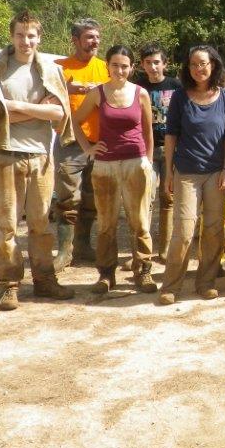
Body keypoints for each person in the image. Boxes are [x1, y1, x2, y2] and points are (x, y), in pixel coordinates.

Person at [0, 11, 75, 311]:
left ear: (39, 37)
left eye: (31, 35)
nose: (26, 41)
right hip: (7, 154)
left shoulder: (49, 70)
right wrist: (38, 109)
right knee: (7, 225)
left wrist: (15, 107)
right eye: (20, 35)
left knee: (40, 224)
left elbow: (60, 113)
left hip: (40, 155)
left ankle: (44, 280)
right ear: (12, 36)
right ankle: (9, 285)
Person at [72, 45, 156, 294]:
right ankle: (106, 274)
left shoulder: (141, 94)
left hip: (135, 162)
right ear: (107, 66)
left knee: (139, 221)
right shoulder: (98, 93)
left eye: (125, 66)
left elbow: (148, 130)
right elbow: (76, 120)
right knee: (107, 222)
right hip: (105, 165)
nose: (120, 70)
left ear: (132, 68)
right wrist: (88, 148)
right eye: (115, 65)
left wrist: (148, 162)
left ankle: (143, 271)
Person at [159, 45, 225, 305]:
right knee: (183, 229)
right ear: (188, 67)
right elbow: (171, 135)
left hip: (217, 173)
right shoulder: (180, 97)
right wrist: (169, 171)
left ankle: (205, 282)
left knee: (214, 230)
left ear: (213, 65)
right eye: (193, 64)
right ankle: (171, 286)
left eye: (203, 63)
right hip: (186, 173)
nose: (199, 69)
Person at [53, 18, 109, 270]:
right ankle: (64, 251)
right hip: (70, 142)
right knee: (67, 197)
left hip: (100, 142)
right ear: (75, 40)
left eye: (96, 37)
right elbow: (48, 97)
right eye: (89, 37)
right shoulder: (60, 68)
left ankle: (83, 246)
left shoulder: (106, 67)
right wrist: (70, 89)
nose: (94, 41)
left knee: (92, 197)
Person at [133, 43, 182, 262]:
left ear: (165, 64)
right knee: (146, 198)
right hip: (145, 150)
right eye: (148, 63)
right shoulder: (138, 87)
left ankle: (165, 250)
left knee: (168, 197)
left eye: (156, 62)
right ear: (142, 65)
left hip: (172, 148)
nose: (153, 67)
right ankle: (142, 252)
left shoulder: (176, 86)